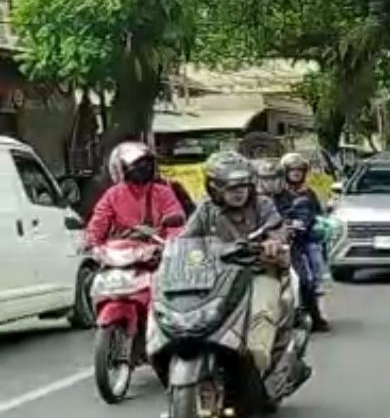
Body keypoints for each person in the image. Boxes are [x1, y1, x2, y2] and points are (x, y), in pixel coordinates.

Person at [180, 151, 295, 375]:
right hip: (215, 278)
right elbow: (186, 240)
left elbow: (277, 228)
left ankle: (256, 370)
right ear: (214, 187)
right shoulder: (205, 211)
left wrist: (273, 242)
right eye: (230, 186)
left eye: (243, 184)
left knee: (261, 314)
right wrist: (170, 251)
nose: (239, 191)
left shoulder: (263, 204)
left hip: (259, 272)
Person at [84, 141, 186, 248]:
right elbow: (99, 222)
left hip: (159, 251)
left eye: (148, 163)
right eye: (138, 164)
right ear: (121, 167)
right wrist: (92, 244)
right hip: (124, 252)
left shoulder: (163, 192)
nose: (145, 168)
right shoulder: (113, 195)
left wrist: (172, 244)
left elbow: (175, 224)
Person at [273, 152, 330, 332]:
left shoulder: (309, 193)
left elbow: (319, 216)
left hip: (304, 241)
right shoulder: (277, 195)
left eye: (300, 170)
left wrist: (313, 223)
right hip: (284, 242)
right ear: (285, 172)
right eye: (292, 170)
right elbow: (272, 217)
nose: (296, 173)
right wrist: (286, 225)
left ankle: (315, 317)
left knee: (308, 281)